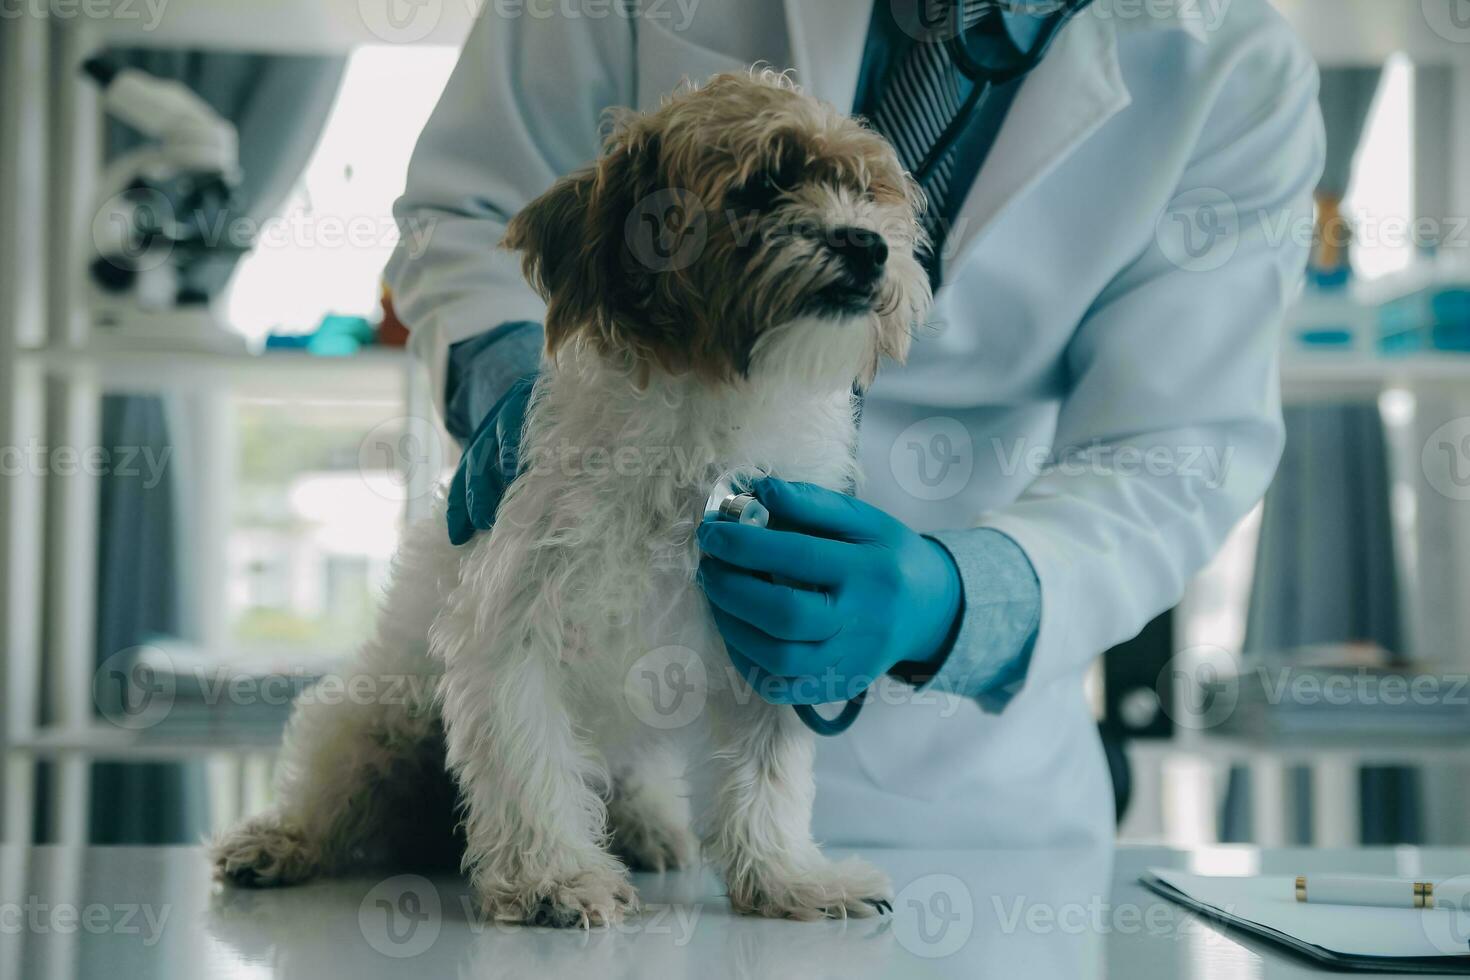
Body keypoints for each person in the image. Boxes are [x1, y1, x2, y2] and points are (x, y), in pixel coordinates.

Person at [385, 0, 1324, 849]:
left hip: (958, 800)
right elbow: (473, 207)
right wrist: (511, 374)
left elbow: (1176, 447)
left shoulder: (1234, 62)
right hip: (611, 740)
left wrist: (958, 599)